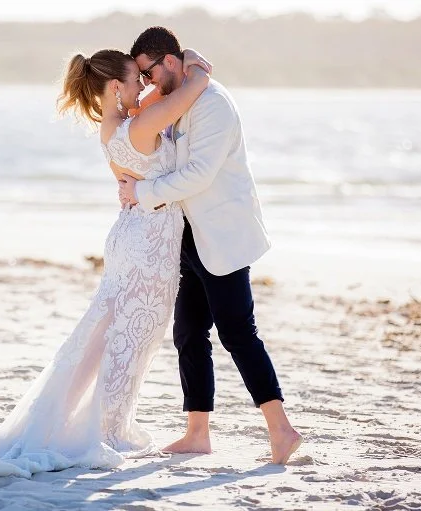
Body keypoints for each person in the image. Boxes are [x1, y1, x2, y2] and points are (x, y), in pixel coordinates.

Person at [0, 48, 211, 479]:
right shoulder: (137, 127)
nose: (144, 84)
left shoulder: (115, 126)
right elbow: (195, 88)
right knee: (130, 340)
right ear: (116, 87)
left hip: (137, 238)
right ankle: (105, 432)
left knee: (114, 336)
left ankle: (103, 427)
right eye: (136, 79)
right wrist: (193, 63)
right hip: (145, 247)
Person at [119, 26, 302, 464]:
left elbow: (199, 174)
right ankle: (197, 432)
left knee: (238, 332)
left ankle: (282, 430)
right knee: (188, 332)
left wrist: (141, 194)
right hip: (191, 236)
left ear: (168, 60)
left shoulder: (214, 104)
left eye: (147, 73)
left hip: (222, 235)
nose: (145, 82)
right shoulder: (181, 93)